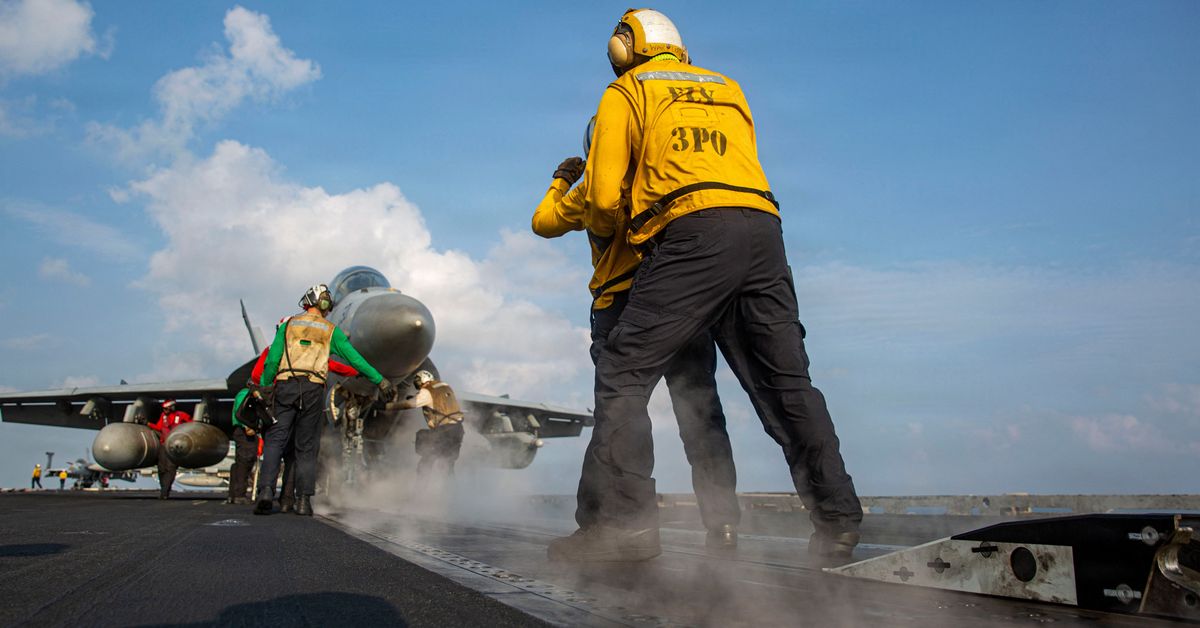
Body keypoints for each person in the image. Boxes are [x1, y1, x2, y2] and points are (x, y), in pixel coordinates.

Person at [544, 9, 863, 564]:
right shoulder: (728, 87)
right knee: (784, 383)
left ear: (623, 48)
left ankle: (625, 527)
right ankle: (837, 520)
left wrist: (609, 216)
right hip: (764, 230)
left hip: (692, 234)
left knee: (622, 372)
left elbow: (602, 200)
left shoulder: (627, 90)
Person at [532, 117, 741, 550]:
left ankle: (612, 524)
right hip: (685, 303)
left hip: (622, 304)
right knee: (701, 414)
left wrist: (562, 180)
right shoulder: (664, 178)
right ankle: (723, 523)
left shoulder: (593, 190)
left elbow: (543, 221)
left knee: (619, 412)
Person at [253, 284, 390, 516]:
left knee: (275, 440)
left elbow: (273, 360)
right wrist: (379, 380)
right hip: (313, 390)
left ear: (307, 301)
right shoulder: (330, 330)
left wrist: (266, 387)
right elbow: (355, 359)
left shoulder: (288, 326)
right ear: (326, 306)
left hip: (285, 387)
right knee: (307, 446)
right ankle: (303, 501)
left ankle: (266, 491)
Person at [395, 371, 466, 477]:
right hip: (458, 430)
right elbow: (436, 400)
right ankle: (450, 486)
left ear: (422, 380)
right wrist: (416, 397)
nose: (417, 384)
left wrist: (387, 406)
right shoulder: (445, 386)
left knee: (426, 462)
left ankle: (422, 486)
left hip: (444, 431)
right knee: (448, 465)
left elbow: (409, 404)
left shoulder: (427, 390)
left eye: (417, 381)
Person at [148, 399, 193, 499]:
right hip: (164, 444)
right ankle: (164, 489)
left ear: (172, 408)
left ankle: (164, 492)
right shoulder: (163, 416)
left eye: (167, 409)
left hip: (174, 446)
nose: (165, 411)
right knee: (161, 468)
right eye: (164, 409)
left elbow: (192, 424)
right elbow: (159, 427)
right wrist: (148, 424)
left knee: (170, 468)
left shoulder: (181, 415)